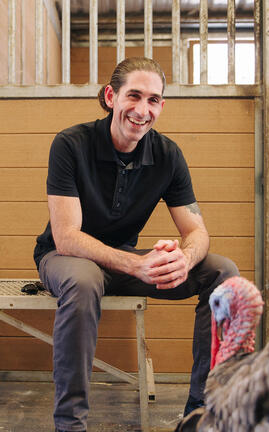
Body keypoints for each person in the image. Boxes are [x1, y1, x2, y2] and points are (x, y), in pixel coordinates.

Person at [33, 57, 239, 432]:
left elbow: (197, 232)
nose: (143, 110)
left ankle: (200, 413)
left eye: (154, 100)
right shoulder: (70, 144)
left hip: (123, 261)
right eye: (134, 96)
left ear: (162, 106)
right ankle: (70, 425)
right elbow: (67, 237)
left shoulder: (168, 155)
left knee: (223, 272)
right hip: (66, 257)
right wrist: (134, 265)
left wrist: (185, 258)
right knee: (83, 281)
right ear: (111, 96)